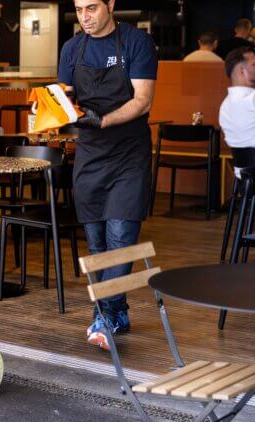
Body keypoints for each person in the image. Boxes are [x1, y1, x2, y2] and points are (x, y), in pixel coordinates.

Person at [58, 0, 157, 350]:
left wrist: (103, 120)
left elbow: (143, 100)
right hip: (90, 154)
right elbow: (66, 99)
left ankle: (104, 314)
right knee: (98, 242)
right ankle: (118, 311)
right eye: (79, 9)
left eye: (92, 8)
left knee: (120, 237)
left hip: (129, 154)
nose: (84, 17)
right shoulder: (72, 48)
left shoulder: (136, 42)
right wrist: (51, 109)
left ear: (111, 4)